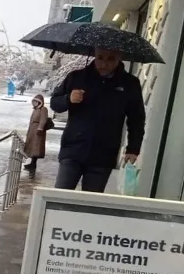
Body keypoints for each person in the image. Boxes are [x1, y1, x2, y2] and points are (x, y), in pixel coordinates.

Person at [49, 48, 146, 192]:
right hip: (73, 150)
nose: (104, 63)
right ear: (94, 56)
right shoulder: (76, 77)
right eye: (100, 58)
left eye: (110, 59)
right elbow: (54, 104)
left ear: (119, 58)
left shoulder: (129, 84)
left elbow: (136, 118)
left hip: (103, 155)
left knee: (90, 203)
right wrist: (68, 99)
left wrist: (133, 148)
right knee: (60, 196)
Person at [23, 94, 49, 176]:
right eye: (33, 101)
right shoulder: (35, 110)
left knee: (36, 148)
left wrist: (40, 128)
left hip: (38, 131)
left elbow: (43, 119)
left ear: (39, 102)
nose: (34, 103)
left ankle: (33, 164)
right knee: (31, 146)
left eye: (36, 101)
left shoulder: (43, 109)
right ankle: (32, 163)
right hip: (32, 130)